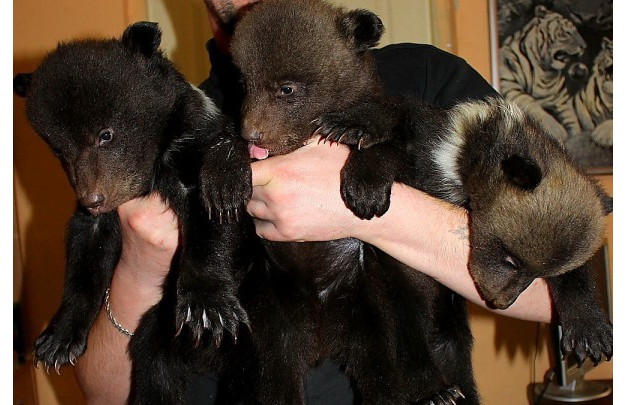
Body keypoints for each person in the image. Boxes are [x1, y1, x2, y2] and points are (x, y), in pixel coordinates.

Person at [75, 0, 554, 403]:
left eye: (284, 91)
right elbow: (102, 391)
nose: (253, 123)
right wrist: (140, 268)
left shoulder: (422, 79)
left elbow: (570, 281)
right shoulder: (154, 121)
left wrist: (376, 215)